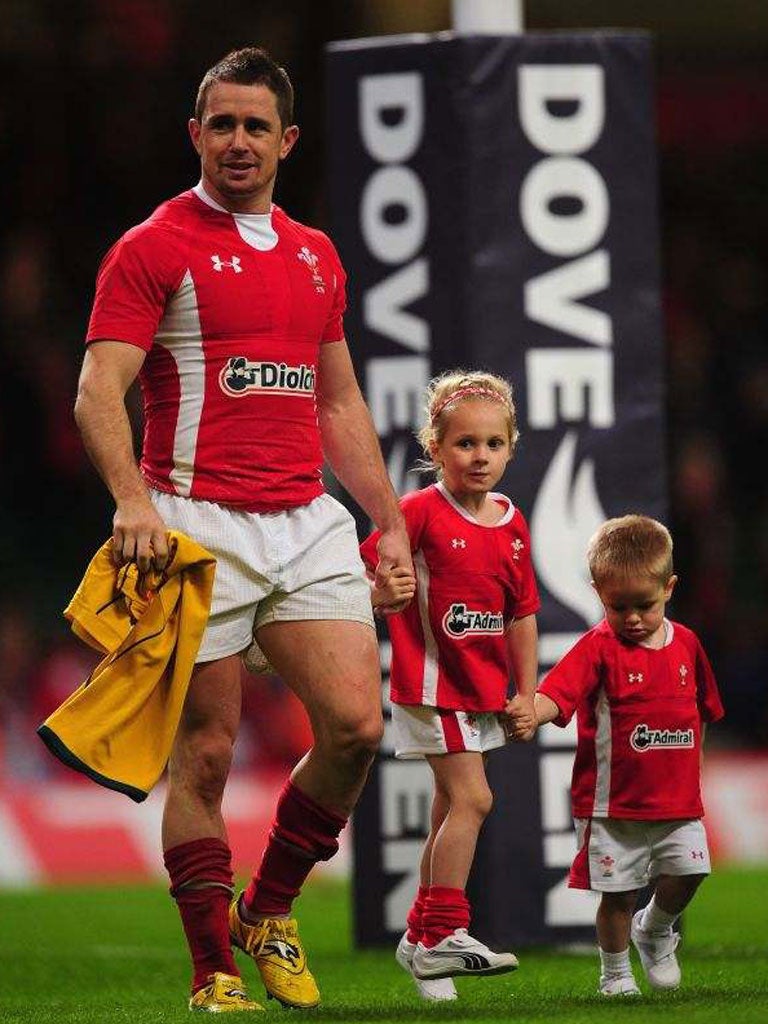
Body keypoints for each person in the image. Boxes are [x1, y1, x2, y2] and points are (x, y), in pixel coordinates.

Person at [73, 46, 413, 1013]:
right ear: (195, 134)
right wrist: (132, 503)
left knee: (354, 726)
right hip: (193, 523)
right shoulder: (153, 246)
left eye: (255, 125)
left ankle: (268, 910)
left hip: (304, 519)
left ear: (287, 140)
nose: (237, 141)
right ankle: (213, 969)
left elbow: (339, 403)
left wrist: (384, 520)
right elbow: (99, 393)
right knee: (209, 756)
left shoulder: (316, 255)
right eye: (221, 123)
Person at [361, 370, 540, 1002]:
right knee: (474, 800)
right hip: (431, 684)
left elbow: (521, 613)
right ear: (434, 447)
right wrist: (382, 594)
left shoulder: (513, 523)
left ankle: (418, 940)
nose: (480, 456)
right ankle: (443, 932)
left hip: (482, 693)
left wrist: (526, 691)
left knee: (447, 807)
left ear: (511, 447)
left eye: (493, 444)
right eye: (465, 443)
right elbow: (359, 578)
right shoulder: (415, 513)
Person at [507, 515, 724, 997]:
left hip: (677, 802)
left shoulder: (687, 644)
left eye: (643, 605)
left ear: (668, 588)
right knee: (617, 895)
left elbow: (703, 709)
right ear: (597, 592)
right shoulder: (597, 647)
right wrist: (530, 712)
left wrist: (696, 766)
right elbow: (556, 694)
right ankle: (615, 974)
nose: (631, 618)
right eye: (616, 606)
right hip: (612, 807)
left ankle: (655, 929)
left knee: (691, 873)